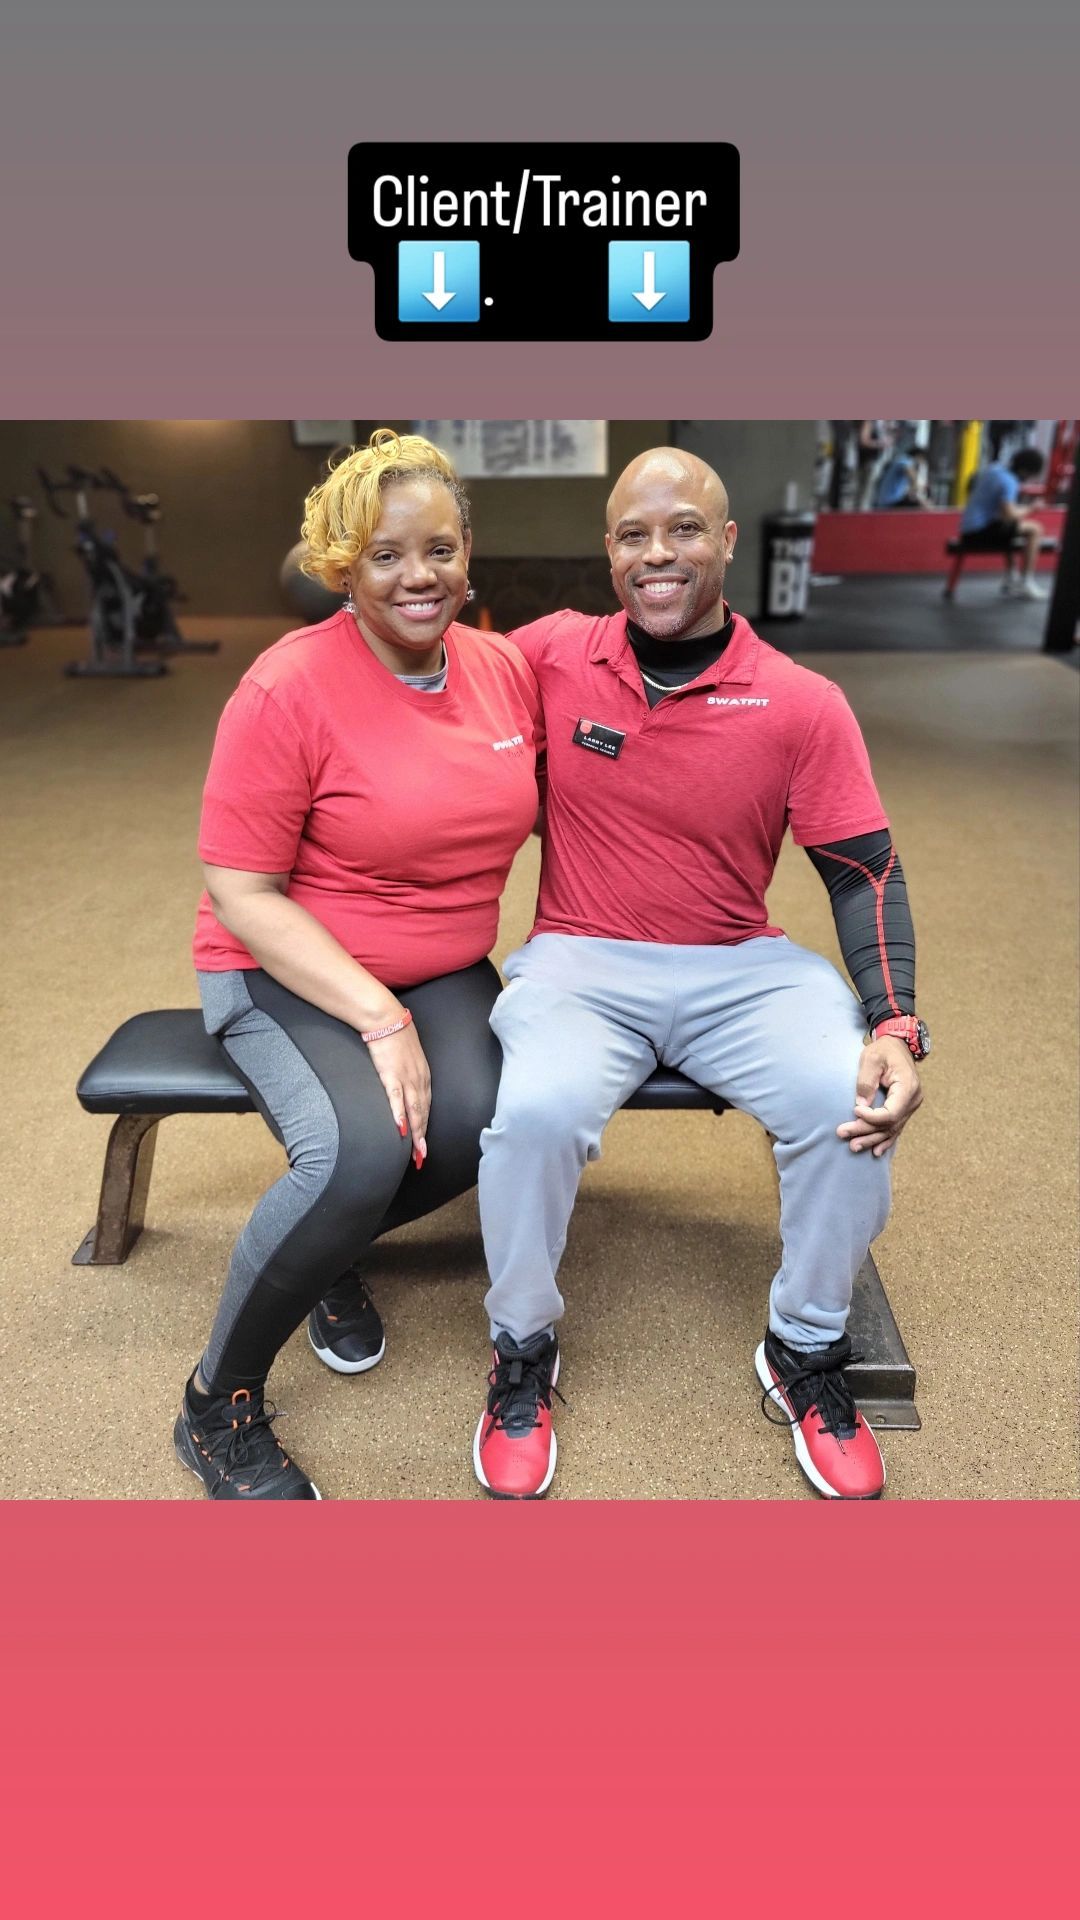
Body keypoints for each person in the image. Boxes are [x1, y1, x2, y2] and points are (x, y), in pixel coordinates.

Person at [473, 447, 927, 1503]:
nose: (657, 554)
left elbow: (864, 873)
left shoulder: (802, 701)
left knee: (844, 1099)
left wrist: (897, 1026)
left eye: (683, 529)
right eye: (633, 535)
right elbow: (418, 670)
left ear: (726, 541)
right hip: (581, 958)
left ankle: (806, 1349)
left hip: (739, 963)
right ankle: (522, 1348)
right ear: (609, 552)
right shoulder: (547, 656)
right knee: (532, 1110)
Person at [175, 430, 541, 1499]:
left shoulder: (501, 668)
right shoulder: (287, 686)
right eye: (384, 555)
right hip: (284, 965)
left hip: (446, 965)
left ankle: (324, 1251)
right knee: (359, 1156)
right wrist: (381, 1019)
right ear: (342, 564)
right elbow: (244, 891)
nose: (416, 575)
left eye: (437, 549)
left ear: (468, 551)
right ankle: (218, 1403)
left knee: (492, 1121)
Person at [959, 447, 1048, 599]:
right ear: (1026, 471)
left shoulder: (994, 469)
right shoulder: (1009, 481)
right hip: (979, 533)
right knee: (1035, 529)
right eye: (1032, 475)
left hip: (968, 529)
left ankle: (1011, 577)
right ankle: (1026, 582)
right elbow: (1010, 513)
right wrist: (1032, 508)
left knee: (1010, 526)